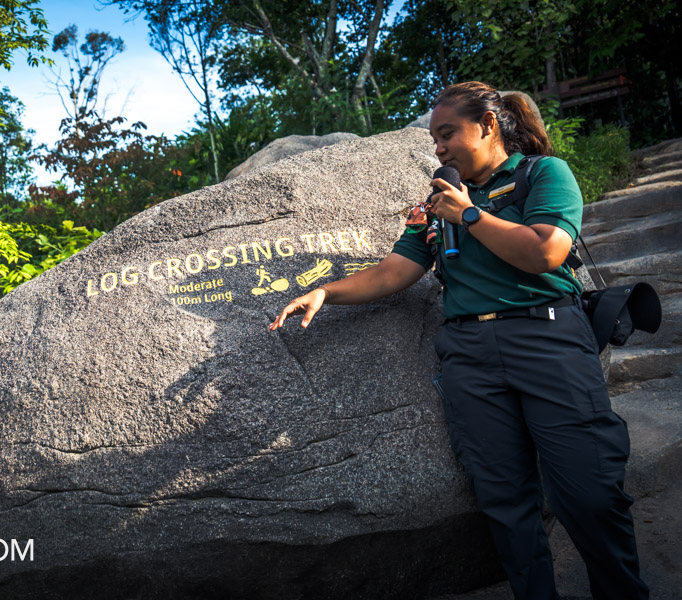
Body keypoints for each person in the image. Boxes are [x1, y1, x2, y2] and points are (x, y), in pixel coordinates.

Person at [268, 81, 649, 600]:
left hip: (547, 337)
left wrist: (469, 214)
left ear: (489, 126)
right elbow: (392, 273)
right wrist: (324, 293)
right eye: (434, 139)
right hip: (469, 356)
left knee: (588, 492)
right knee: (505, 501)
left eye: (448, 134)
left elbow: (546, 252)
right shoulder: (435, 206)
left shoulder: (540, 175)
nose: (438, 148)